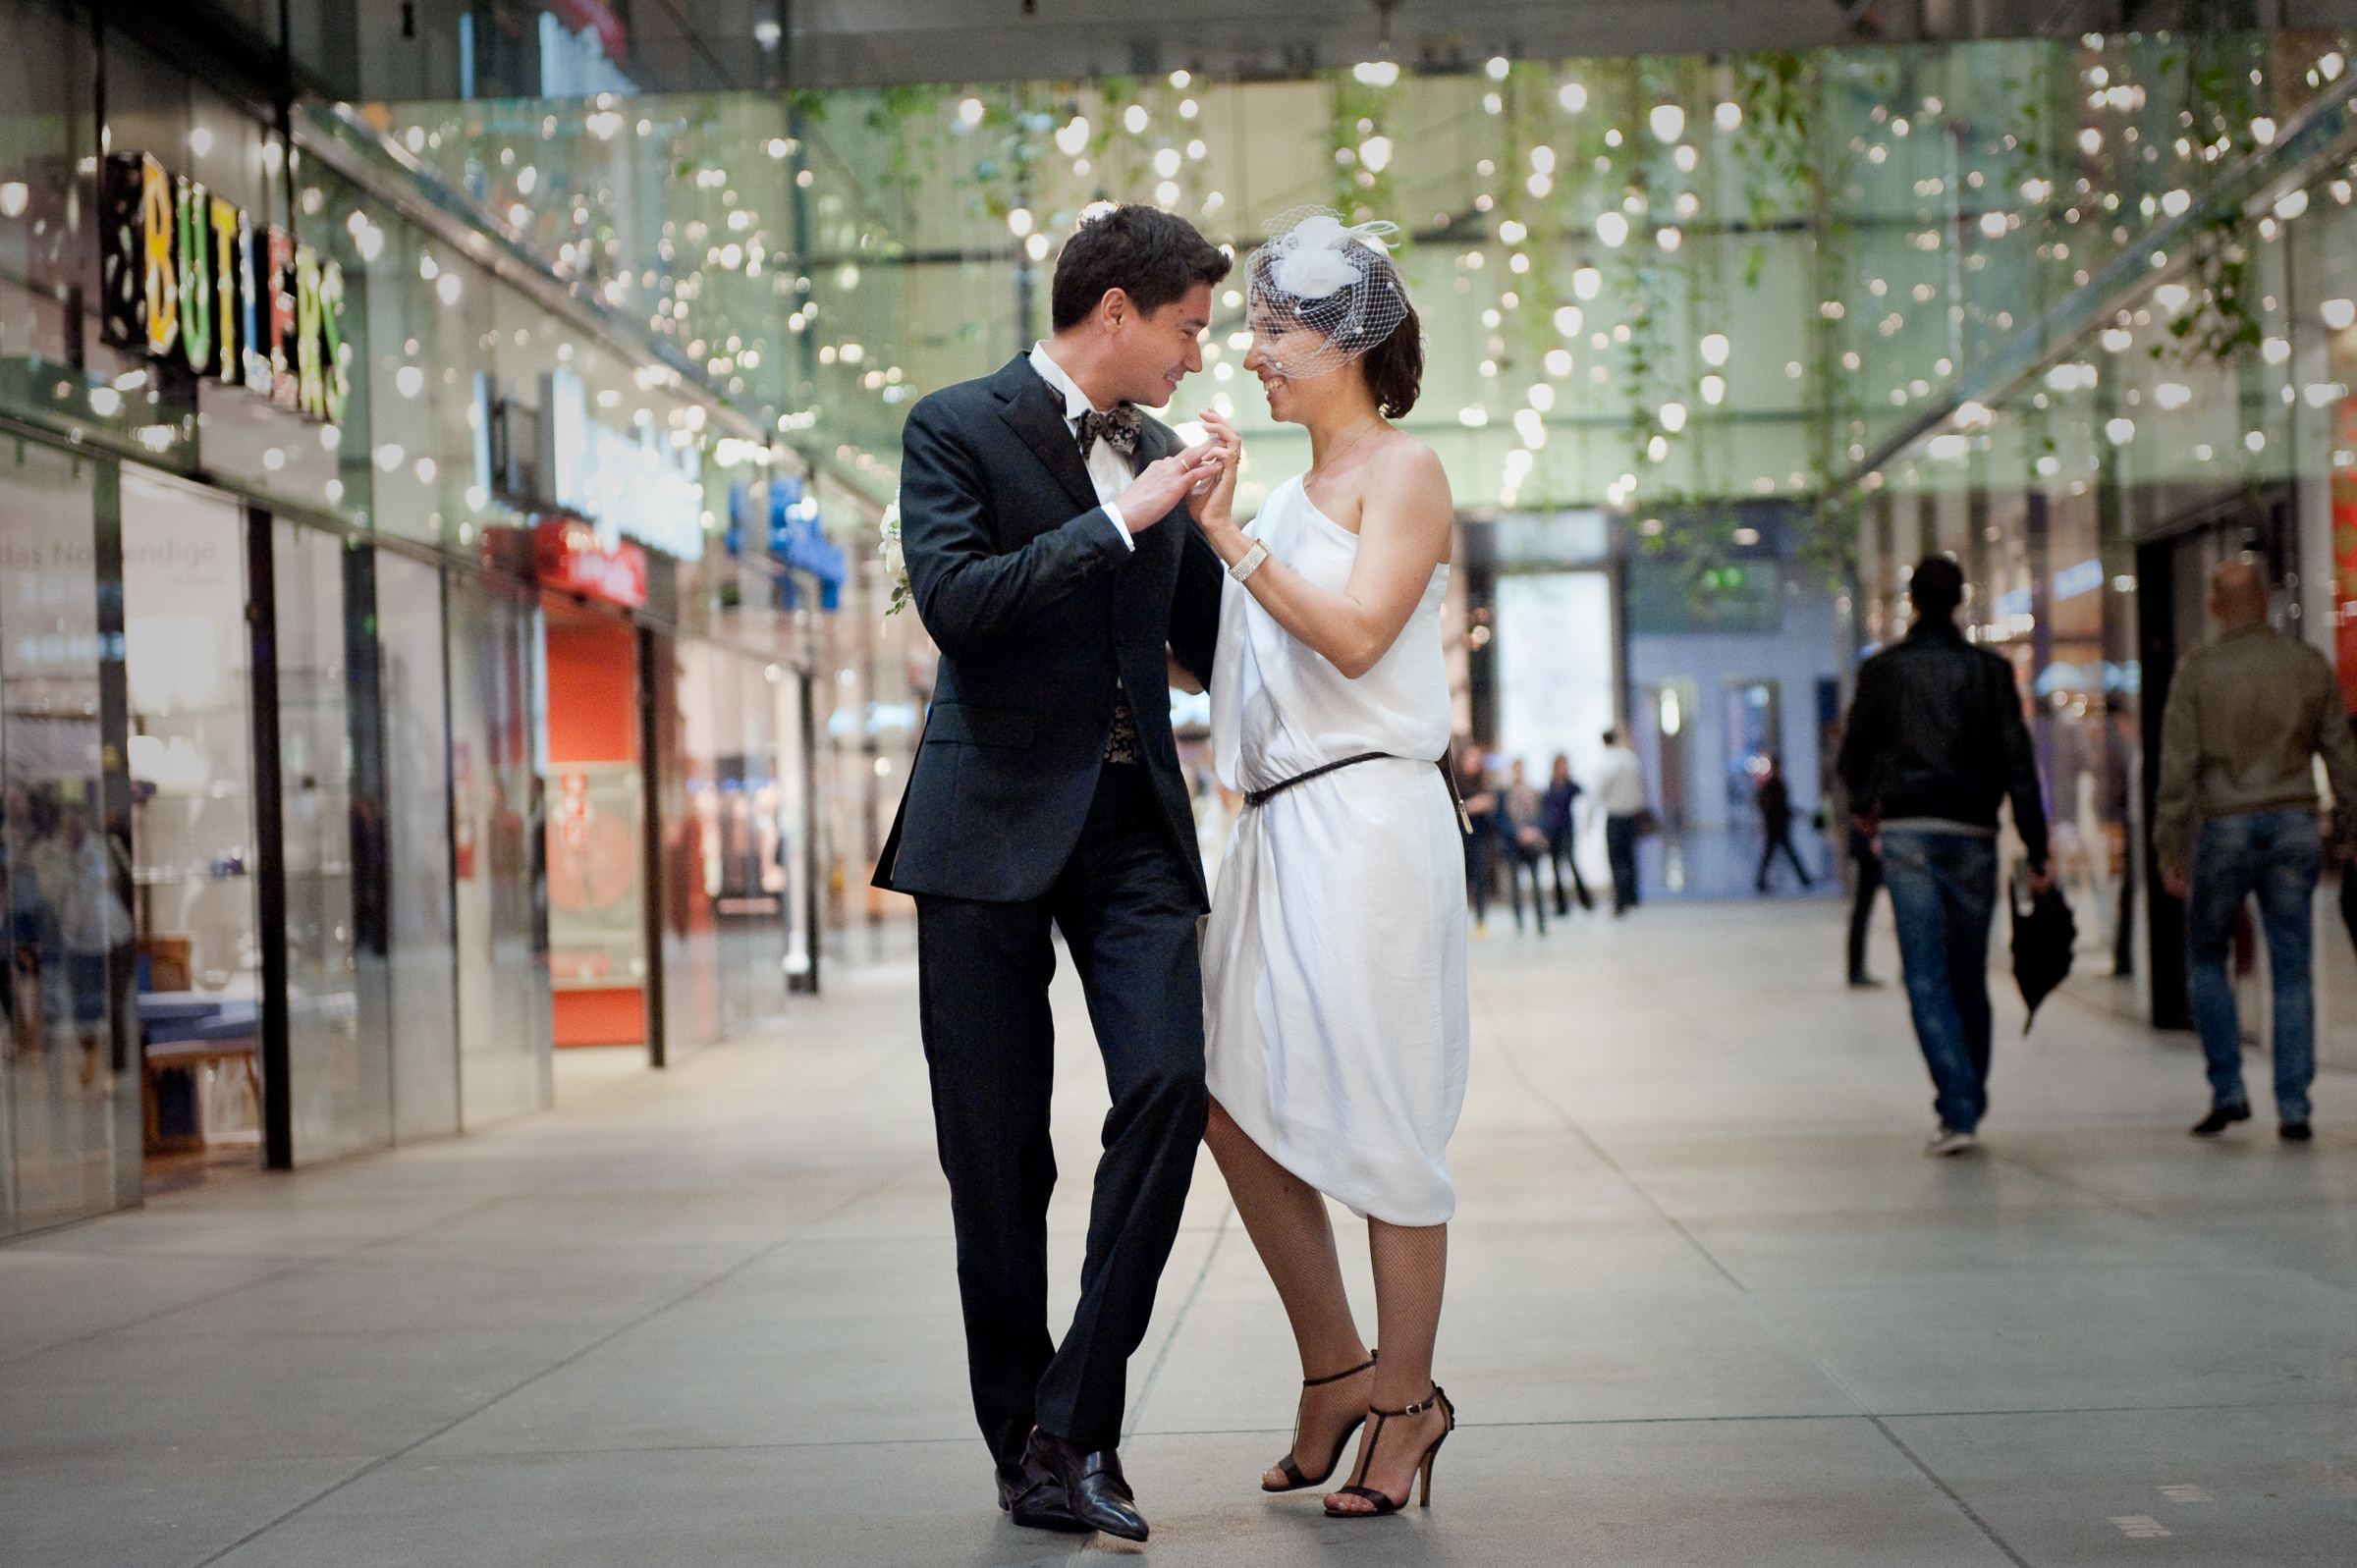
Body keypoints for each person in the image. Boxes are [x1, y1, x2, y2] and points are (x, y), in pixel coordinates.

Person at [872, 203, 1233, 1543]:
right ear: (1119, 311)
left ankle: (1077, 1418)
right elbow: (958, 604)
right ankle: (1023, 1450)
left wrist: (1212, 517)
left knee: (1169, 1086)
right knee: (996, 1156)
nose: (1198, 357)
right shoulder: (952, 426)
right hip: (983, 829)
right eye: (1188, 329)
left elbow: (1198, 643)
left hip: (1134, 818)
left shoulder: (1161, 452)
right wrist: (1124, 519)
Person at [1192, 208, 1464, 1520]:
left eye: (1273, 328)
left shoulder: (1401, 473)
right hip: (1277, 831)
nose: (1252, 353)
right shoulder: (1293, 494)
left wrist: (1228, 538)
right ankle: (1335, 1367)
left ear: (1347, 339)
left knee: (1384, 1115)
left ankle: (1407, 1403)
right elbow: (1252, 664)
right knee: (1231, 1104)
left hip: (1367, 831)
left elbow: (1356, 640)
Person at [1837, 557, 2053, 1157]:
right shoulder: (1990, 673)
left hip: (1907, 832)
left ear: (1912, 601)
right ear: (1960, 600)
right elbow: (2019, 765)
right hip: (1973, 835)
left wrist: (1863, 805)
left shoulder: (1883, 672)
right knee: (1967, 974)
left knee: (1925, 974)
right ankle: (1965, 1100)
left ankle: (1959, 1104)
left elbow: (1853, 752)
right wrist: (2037, 847)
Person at [2153, 560, 2357, 1143]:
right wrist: (2353, 827)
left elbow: (2177, 768)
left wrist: (2170, 847)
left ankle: (2228, 1089)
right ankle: (2294, 1105)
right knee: (2292, 966)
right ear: (2266, 601)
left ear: (2216, 607)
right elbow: (2342, 756)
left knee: (2207, 956)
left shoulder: (2198, 670)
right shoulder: (2306, 664)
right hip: (2294, 823)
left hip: (2225, 826)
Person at [1592, 728, 1648, 914]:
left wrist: (1591, 813)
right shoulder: (1631, 759)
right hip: (1631, 815)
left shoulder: (1610, 762)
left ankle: (1621, 900)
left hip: (1616, 816)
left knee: (1617, 860)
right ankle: (1632, 896)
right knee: (1629, 857)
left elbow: (1599, 790)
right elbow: (1641, 785)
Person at [1497, 757, 1550, 934]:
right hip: (1514, 844)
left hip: (1532, 844)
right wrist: (1516, 832)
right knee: (1515, 884)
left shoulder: (1534, 791)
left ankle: (1541, 921)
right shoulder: (1504, 793)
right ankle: (1519, 921)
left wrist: (1533, 831)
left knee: (1536, 883)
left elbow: (1542, 816)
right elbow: (1500, 819)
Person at [1540, 753, 1594, 913]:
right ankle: (1561, 905)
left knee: (1571, 862)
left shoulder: (1570, 785)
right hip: (1553, 830)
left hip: (1566, 829)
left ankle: (1585, 900)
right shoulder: (1551, 786)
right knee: (1556, 866)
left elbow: (1584, 793)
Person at [1753, 757, 1814, 892]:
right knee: (1784, 854)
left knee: (1775, 855)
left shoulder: (1772, 784)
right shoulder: (1775, 784)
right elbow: (1778, 806)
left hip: (1775, 826)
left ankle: (1761, 882)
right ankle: (1804, 879)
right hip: (1777, 826)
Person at [1455, 744, 1498, 929]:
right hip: (1460, 838)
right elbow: (1454, 809)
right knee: (1460, 882)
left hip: (1480, 838)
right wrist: (1473, 805)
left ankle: (1480, 921)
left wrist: (1488, 805)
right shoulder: (1456, 784)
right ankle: (1459, 923)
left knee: (1480, 880)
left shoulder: (1483, 783)